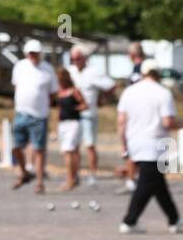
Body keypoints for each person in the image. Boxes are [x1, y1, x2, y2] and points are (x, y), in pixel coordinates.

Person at [117, 58, 183, 233]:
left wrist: (123, 143)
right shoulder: (163, 93)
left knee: (157, 183)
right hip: (154, 143)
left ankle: (174, 219)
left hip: (135, 142)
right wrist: (182, 124)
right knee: (146, 184)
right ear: (158, 74)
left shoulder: (129, 92)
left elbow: (121, 121)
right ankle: (129, 221)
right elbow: (167, 122)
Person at [11, 38, 58, 194]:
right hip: (21, 112)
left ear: (40, 54)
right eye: (30, 53)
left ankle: (39, 182)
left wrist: (46, 107)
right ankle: (24, 172)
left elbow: (53, 93)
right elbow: (16, 86)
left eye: (35, 53)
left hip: (39, 115)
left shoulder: (47, 69)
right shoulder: (20, 66)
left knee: (38, 150)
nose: (33, 56)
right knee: (16, 147)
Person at [67, 45, 115, 187]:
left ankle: (92, 174)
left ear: (84, 58)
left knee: (90, 145)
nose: (75, 61)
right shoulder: (71, 71)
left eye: (78, 58)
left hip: (88, 114)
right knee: (73, 146)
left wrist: (102, 99)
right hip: (73, 114)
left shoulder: (93, 72)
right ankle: (74, 175)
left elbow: (111, 85)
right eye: (73, 59)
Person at [53, 66, 88, 190]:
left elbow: (85, 105)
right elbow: (59, 110)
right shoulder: (60, 93)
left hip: (73, 123)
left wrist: (74, 109)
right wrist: (54, 127)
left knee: (68, 150)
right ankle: (74, 176)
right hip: (62, 124)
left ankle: (70, 180)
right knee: (68, 152)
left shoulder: (74, 91)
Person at [121, 41, 148, 191]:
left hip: (137, 113)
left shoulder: (140, 69)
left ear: (132, 55)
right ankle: (135, 177)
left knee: (132, 146)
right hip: (140, 112)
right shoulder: (143, 67)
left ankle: (132, 179)